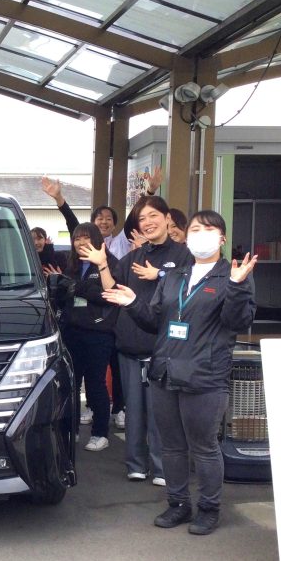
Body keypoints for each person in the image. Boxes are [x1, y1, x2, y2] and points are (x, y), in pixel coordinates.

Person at [102, 210, 257, 535]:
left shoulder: (232, 275)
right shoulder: (175, 275)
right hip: (166, 372)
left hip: (205, 377)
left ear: (221, 238)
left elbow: (237, 321)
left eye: (208, 229)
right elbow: (154, 320)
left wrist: (237, 285)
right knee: (171, 446)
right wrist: (132, 303)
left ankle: (209, 509)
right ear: (186, 237)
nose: (201, 235)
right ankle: (178, 504)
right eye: (195, 229)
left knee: (204, 447)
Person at [81, 195, 192, 485]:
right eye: (142, 218)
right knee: (134, 410)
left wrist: (161, 274)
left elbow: (190, 285)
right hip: (130, 343)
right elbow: (112, 289)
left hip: (164, 347)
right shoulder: (134, 256)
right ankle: (136, 464)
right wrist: (102, 264)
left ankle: (162, 467)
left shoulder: (183, 254)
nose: (148, 222)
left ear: (167, 218)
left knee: (161, 412)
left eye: (153, 215)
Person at [58, 223, 120, 451]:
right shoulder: (71, 265)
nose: (81, 242)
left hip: (99, 334)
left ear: (96, 240)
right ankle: (70, 430)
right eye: (77, 238)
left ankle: (100, 433)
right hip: (71, 332)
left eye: (86, 238)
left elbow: (109, 295)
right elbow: (64, 295)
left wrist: (78, 288)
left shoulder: (110, 263)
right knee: (71, 384)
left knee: (95, 383)